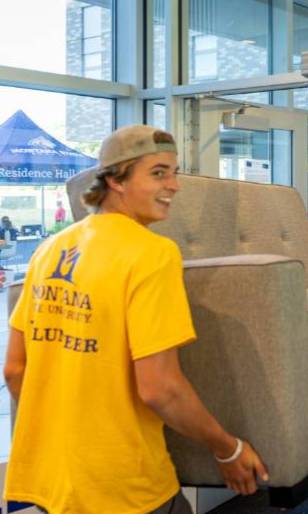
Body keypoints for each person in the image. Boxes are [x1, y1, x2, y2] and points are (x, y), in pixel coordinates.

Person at [3, 125, 268, 514]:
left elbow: (14, 369)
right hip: (122, 486)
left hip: (47, 481)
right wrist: (228, 448)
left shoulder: (49, 250)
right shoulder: (151, 254)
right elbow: (161, 389)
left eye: (174, 172)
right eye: (159, 173)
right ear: (115, 179)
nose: (175, 185)